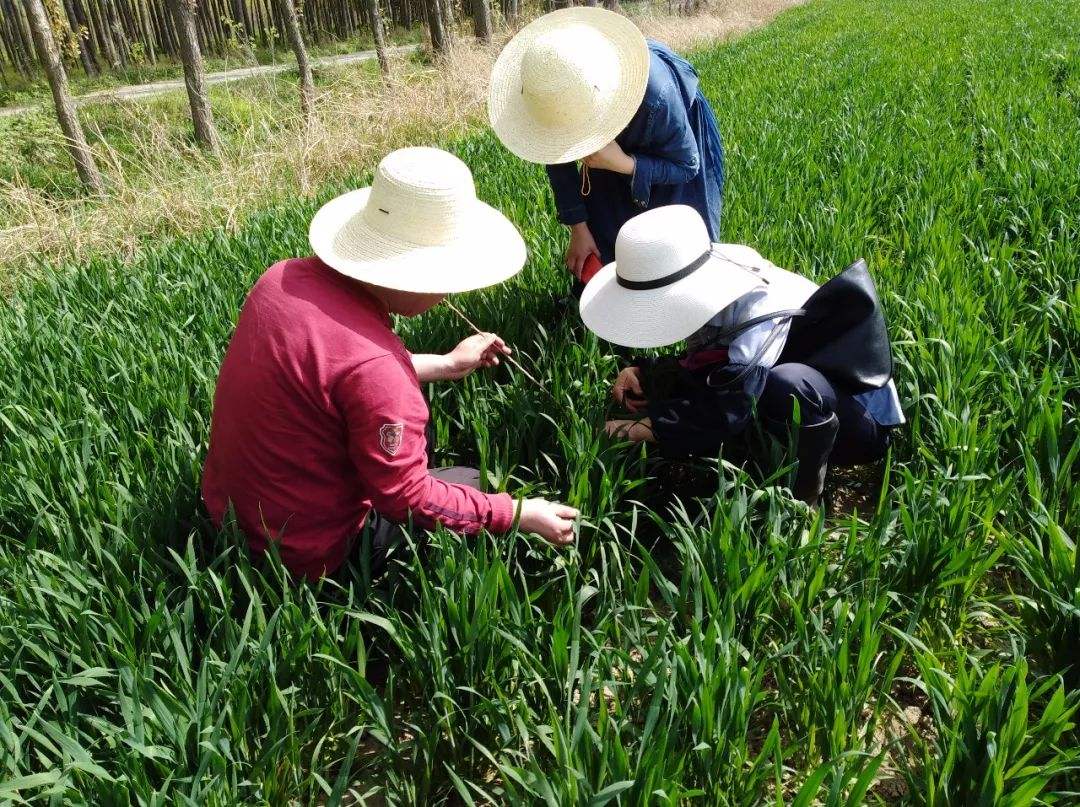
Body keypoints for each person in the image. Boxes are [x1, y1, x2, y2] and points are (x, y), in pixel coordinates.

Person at [202, 147, 579, 580]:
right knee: (472, 482)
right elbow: (406, 498)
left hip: (233, 517)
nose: (448, 295)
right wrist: (517, 513)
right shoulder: (377, 368)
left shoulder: (280, 279)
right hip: (307, 553)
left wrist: (445, 364)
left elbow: (334, 375)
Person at [578, 205, 905, 505]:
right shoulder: (713, 297)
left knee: (788, 383)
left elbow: (729, 409)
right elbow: (708, 358)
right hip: (794, 377)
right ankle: (770, 447)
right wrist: (644, 372)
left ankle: (806, 500)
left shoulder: (759, 309)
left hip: (861, 424)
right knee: (759, 385)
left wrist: (637, 429)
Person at [487, 7, 724, 293]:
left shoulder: (657, 97)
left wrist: (624, 164)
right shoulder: (550, 94)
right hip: (606, 151)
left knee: (682, 255)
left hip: (669, 148)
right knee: (609, 246)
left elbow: (687, 165)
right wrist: (578, 226)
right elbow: (557, 159)